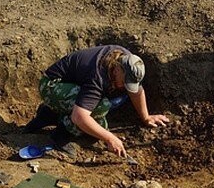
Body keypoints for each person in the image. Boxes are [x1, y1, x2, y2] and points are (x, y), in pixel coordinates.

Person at [23, 45, 169, 157]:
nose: (126, 86)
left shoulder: (127, 60)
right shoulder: (98, 78)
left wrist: (146, 117)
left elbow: (137, 91)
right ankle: (61, 133)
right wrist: (110, 138)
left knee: (101, 123)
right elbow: (79, 117)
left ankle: (48, 115)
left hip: (73, 85)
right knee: (101, 107)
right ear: (117, 70)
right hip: (51, 86)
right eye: (125, 82)